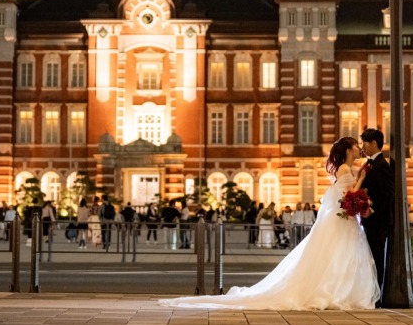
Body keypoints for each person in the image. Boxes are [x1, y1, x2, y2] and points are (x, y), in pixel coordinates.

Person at [159, 136, 379, 310]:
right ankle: (336, 292)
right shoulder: (345, 169)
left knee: (336, 257)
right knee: (337, 256)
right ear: (348, 150)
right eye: (356, 146)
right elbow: (350, 194)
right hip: (341, 220)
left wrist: (359, 180)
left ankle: (337, 290)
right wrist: (361, 179)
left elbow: (347, 196)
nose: (359, 149)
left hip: (342, 219)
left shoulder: (347, 169)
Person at [359, 127, 394, 306]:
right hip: (371, 221)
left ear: (373, 143)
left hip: (378, 222)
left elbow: (388, 194)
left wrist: (372, 209)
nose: (362, 147)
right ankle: (373, 295)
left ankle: (377, 298)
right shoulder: (371, 164)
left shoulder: (381, 166)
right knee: (372, 259)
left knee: (377, 259)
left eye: (364, 143)